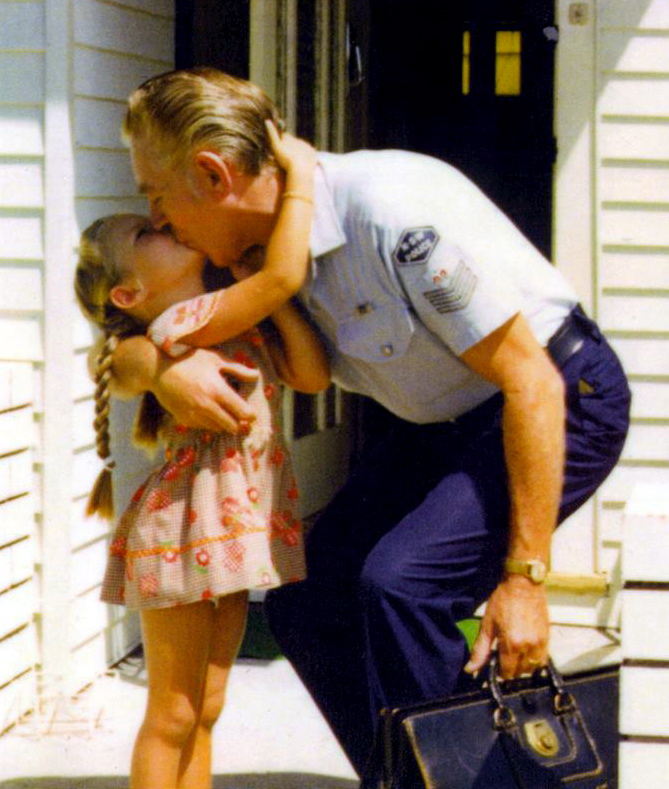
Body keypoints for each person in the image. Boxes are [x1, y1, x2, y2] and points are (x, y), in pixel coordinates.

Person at [110, 67, 631, 780]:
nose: (160, 219)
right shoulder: (247, 250)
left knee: (402, 584)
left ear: (211, 174)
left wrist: (525, 580)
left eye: (156, 196)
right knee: (307, 599)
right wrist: (159, 370)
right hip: (444, 422)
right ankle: (406, 773)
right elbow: (122, 341)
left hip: (558, 398)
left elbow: (531, 382)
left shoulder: (389, 213)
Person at [75, 123, 329, 789]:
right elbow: (284, 273)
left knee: (207, 706)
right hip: (184, 530)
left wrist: (274, 309)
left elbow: (310, 375)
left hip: (229, 525)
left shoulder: (231, 319)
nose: (163, 224)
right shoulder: (180, 325)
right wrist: (300, 179)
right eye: (145, 234)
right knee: (174, 711)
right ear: (129, 294)